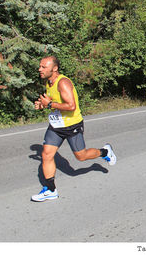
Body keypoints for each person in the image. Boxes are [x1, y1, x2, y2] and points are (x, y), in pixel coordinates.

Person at [32, 56, 117, 202]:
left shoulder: (63, 83)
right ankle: (50, 190)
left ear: (54, 68)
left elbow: (71, 106)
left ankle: (105, 151)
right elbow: (54, 102)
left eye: (43, 67)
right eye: (40, 66)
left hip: (72, 125)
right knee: (46, 154)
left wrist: (49, 105)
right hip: (57, 125)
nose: (40, 69)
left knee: (81, 156)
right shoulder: (48, 82)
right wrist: (43, 105)